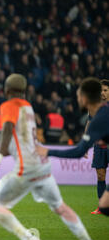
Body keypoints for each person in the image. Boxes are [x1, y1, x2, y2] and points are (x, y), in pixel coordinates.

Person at [0, 74, 101, 240]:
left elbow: (7, 131)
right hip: (43, 166)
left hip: (26, 169)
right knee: (60, 207)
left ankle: (29, 239)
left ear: (6, 90)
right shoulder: (28, 107)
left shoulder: (8, 106)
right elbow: (23, 143)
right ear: (24, 91)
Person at [37, 77, 109, 222]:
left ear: (85, 98)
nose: (77, 99)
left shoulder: (102, 117)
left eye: (78, 96)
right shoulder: (99, 115)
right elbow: (80, 150)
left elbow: (77, 152)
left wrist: (48, 152)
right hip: (100, 148)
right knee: (104, 205)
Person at [83, 79, 109, 214]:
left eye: (105, 90)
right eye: (101, 91)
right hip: (99, 146)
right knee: (100, 175)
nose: (103, 93)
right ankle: (101, 206)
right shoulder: (95, 106)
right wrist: (85, 145)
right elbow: (89, 125)